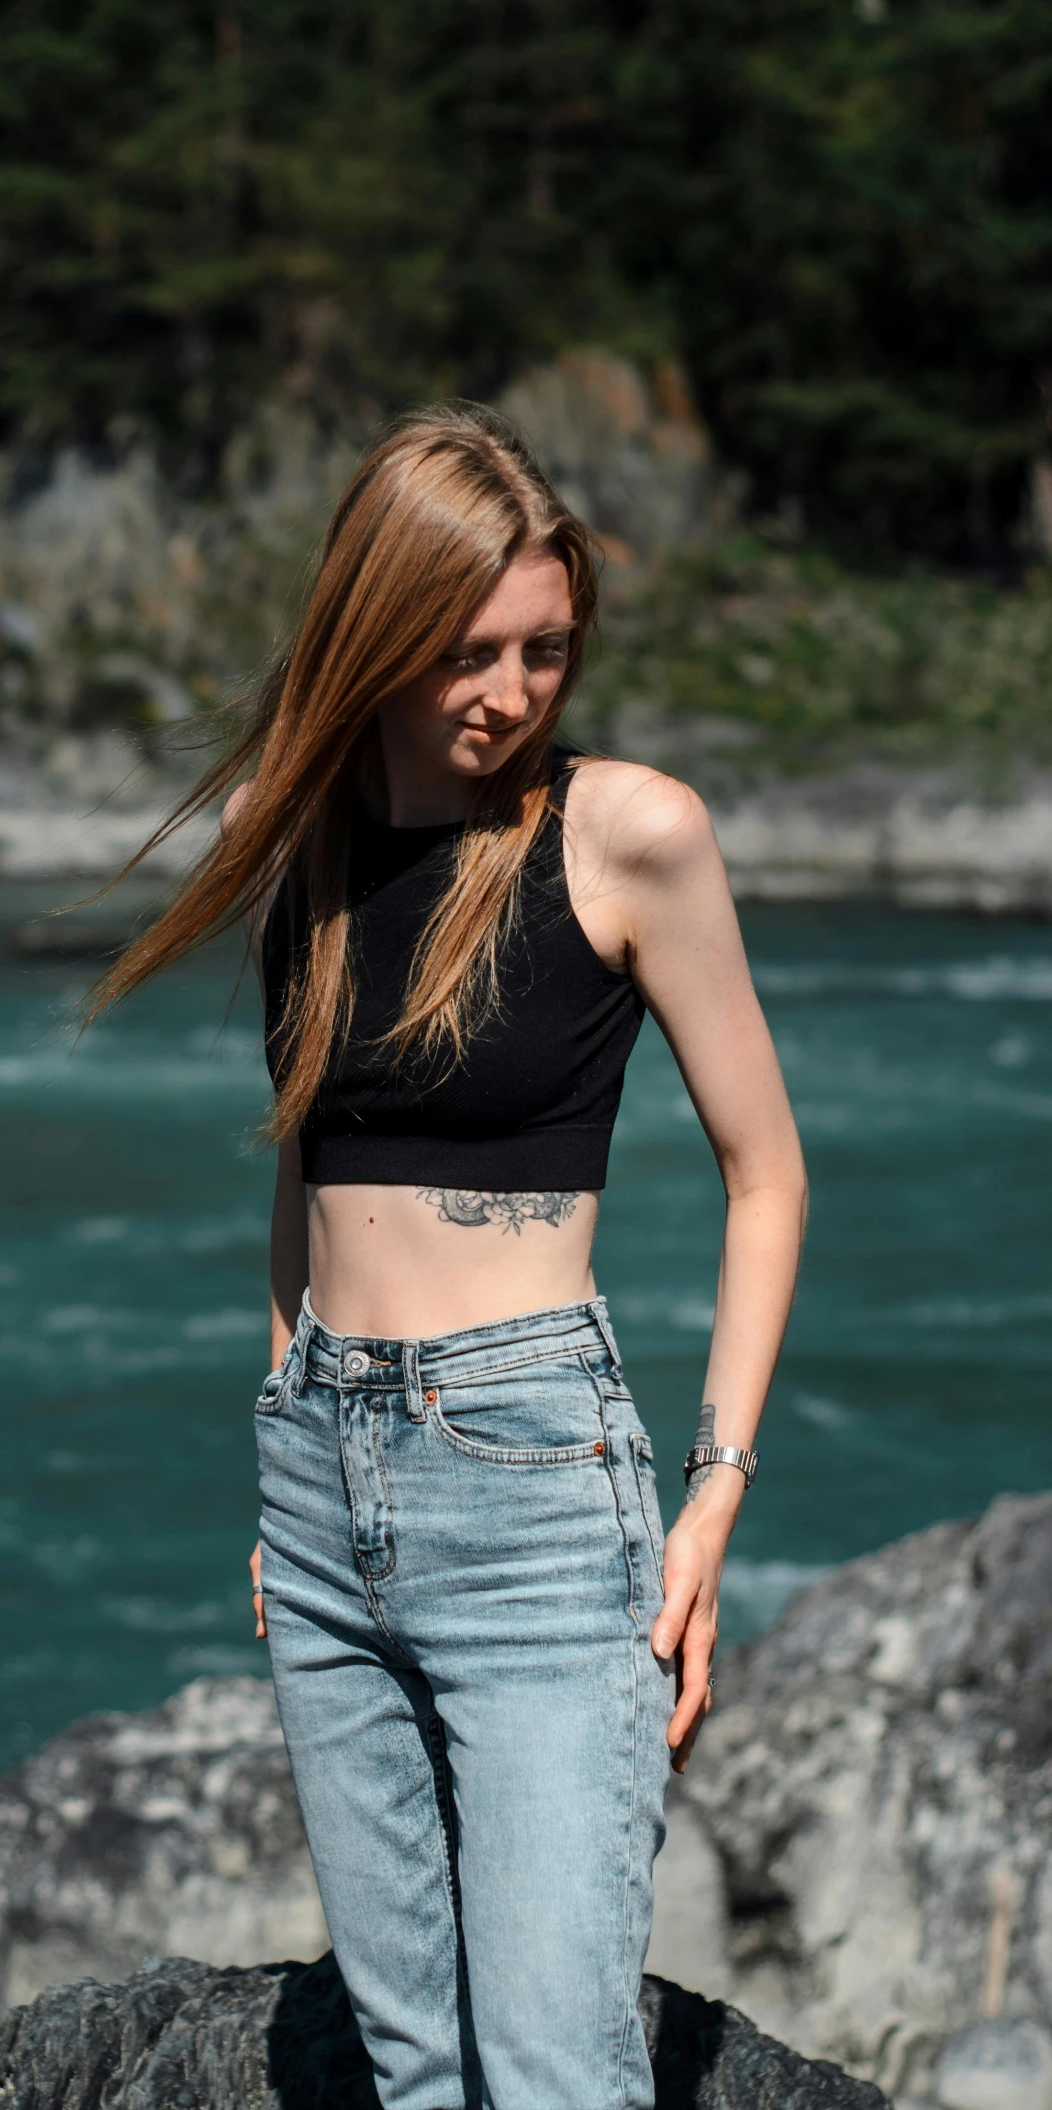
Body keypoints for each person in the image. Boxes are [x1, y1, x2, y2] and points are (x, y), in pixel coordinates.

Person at [87, 402, 806, 2110]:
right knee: (410, 2064)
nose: (505, 690)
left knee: (553, 2068)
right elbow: (309, 1167)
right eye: (464, 649)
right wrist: (286, 1431)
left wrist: (710, 1497)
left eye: (543, 649)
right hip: (321, 1478)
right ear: (376, 631)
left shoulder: (626, 833)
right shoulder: (292, 831)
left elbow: (764, 1176)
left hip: (531, 1472)